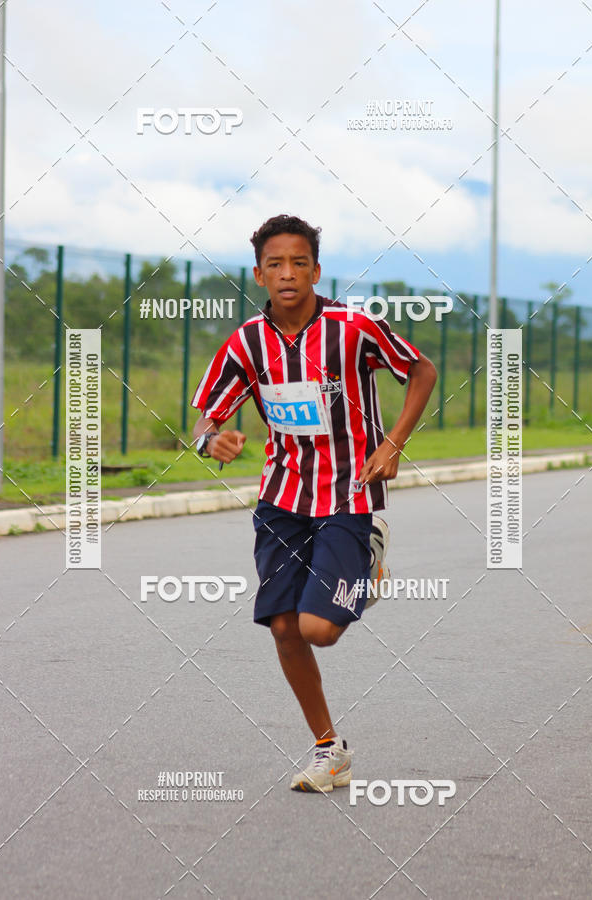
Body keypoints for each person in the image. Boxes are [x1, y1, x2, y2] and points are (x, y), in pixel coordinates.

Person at [192, 214, 437, 793]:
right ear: (258, 275)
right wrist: (211, 440)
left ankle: (368, 559)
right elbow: (207, 419)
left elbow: (421, 370)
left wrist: (394, 441)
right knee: (283, 627)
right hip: (282, 498)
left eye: (299, 263)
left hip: (349, 492)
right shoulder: (246, 344)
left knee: (319, 629)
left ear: (316, 270)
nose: (287, 274)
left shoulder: (352, 328)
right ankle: (330, 751)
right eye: (275, 264)